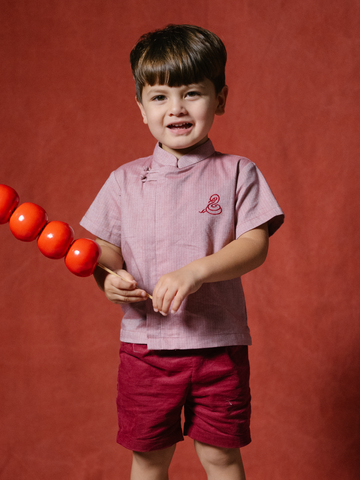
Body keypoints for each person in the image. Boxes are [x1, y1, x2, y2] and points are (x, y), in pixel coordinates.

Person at [80, 24, 284, 480]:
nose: (176, 108)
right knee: (149, 461)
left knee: (220, 458)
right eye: (160, 97)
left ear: (221, 98)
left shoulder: (237, 172)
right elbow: (103, 250)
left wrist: (196, 271)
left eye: (192, 93)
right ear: (141, 108)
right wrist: (107, 279)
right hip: (144, 350)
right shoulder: (124, 181)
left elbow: (255, 244)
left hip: (219, 347)